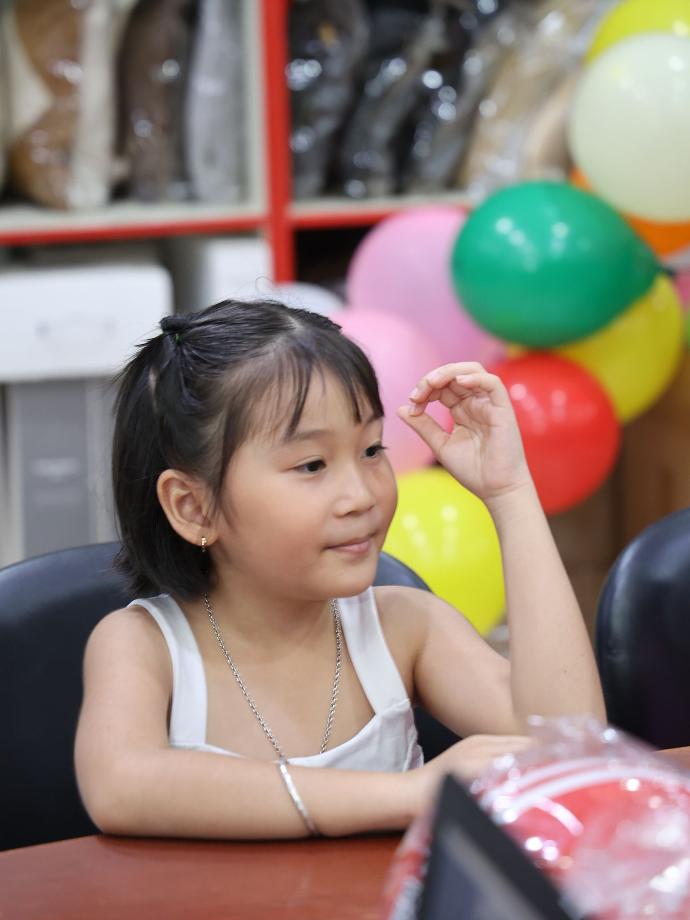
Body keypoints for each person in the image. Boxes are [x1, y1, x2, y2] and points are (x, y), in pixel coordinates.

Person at [75, 298, 605, 840]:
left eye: (372, 449)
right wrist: (408, 794)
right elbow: (122, 787)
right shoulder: (143, 645)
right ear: (194, 506)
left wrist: (510, 492)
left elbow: (570, 748)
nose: (361, 495)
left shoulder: (405, 627)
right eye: (312, 465)